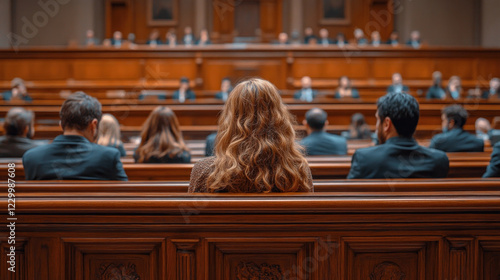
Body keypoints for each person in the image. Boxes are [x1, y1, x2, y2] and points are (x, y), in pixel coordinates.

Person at [189, 78, 313, 193]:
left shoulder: (205, 171)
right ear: (279, 119)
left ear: (230, 119)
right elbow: (311, 215)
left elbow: (191, 216)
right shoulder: (298, 170)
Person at [22, 92, 128, 180]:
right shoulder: (109, 157)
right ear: (93, 125)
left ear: (61, 125)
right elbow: (125, 195)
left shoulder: (31, 158)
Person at [347, 93, 449, 179]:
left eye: (378, 120)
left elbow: (349, 197)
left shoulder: (364, 158)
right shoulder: (439, 160)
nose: (377, 126)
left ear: (387, 124)